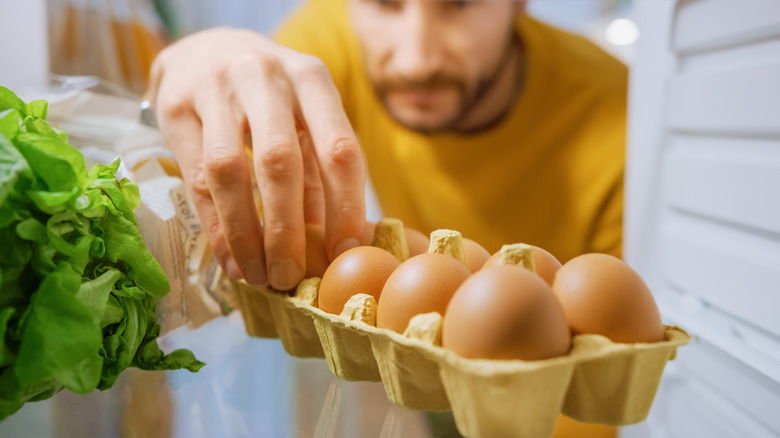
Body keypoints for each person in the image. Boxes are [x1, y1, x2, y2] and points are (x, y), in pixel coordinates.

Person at [149, 1, 625, 436]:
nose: (416, 61)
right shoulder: (332, 38)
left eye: (459, 5)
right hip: (428, 379)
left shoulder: (621, 123)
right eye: (385, 3)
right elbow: (235, 163)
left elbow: (605, 380)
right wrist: (197, 58)